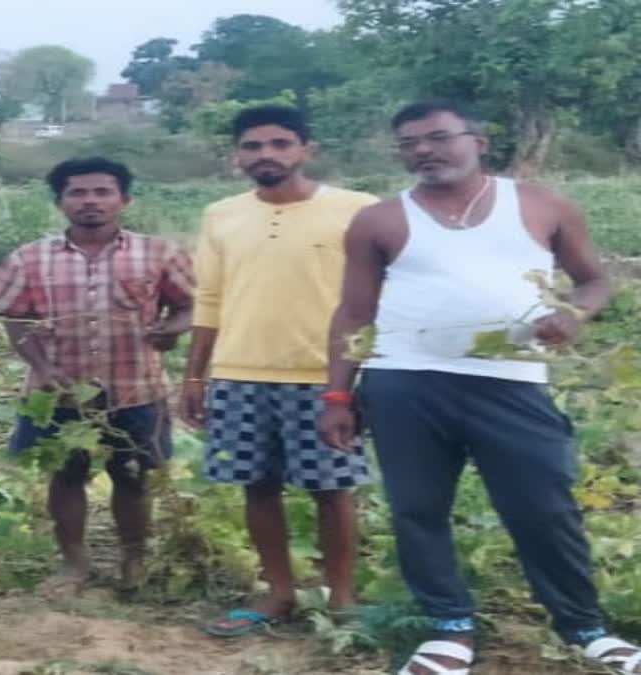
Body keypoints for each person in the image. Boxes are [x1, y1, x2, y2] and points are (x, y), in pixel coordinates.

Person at [321, 100, 641, 675]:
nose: (424, 151)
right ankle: (448, 630)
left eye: (438, 137)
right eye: (410, 143)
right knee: (419, 509)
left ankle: (585, 628)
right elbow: (353, 313)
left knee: (545, 508)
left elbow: (594, 281)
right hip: (404, 383)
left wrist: (574, 314)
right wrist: (338, 396)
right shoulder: (381, 220)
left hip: (510, 381)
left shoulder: (541, 205)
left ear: (480, 140)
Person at [181, 105, 379, 636]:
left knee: (332, 488)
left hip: (324, 377)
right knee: (256, 485)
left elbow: (375, 298)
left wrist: (359, 375)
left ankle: (341, 596)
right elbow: (210, 299)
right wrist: (194, 377)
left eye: (279, 144)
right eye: (252, 146)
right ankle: (280, 593)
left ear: (305, 150)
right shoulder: (221, 214)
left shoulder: (358, 210)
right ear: (237, 156)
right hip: (239, 373)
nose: (265, 155)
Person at [0, 157, 195, 596]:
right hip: (59, 394)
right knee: (65, 476)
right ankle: (73, 565)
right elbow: (14, 318)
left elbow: (190, 305)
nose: (90, 201)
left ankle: (134, 560)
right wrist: (42, 367)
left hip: (136, 390)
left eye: (102, 192)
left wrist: (174, 328)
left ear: (124, 199)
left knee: (135, 475)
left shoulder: (160, 253)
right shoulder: (29, 259)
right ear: (60, 201)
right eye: (78, 193)